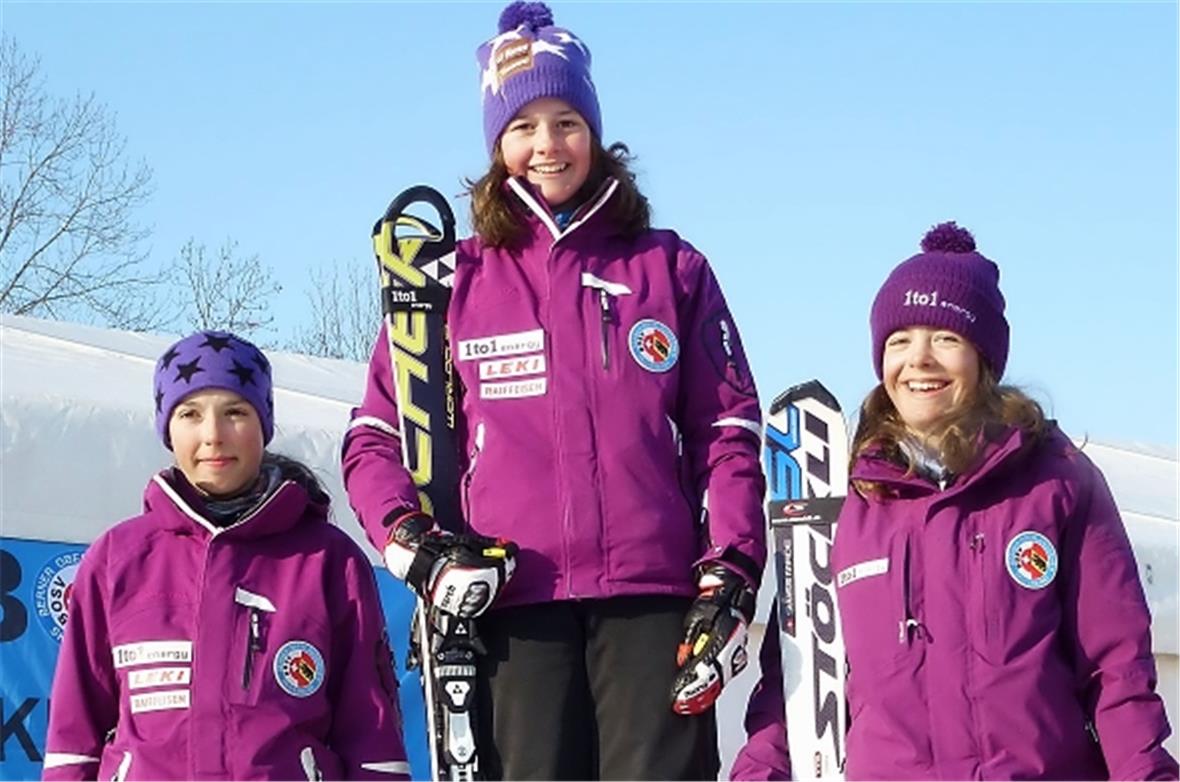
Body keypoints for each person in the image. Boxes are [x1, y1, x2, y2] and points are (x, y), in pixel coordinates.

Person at [342, 2, 766, 778]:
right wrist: (415, 546)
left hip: (651, 597)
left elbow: (729, 432)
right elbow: (373, 438)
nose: (547, 145)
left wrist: (731, 570)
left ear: (595, 131)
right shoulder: (450, 280)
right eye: (523, 125)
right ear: (497, 143)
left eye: (566, 119)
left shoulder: (670, 269)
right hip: (511, 604)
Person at [731, 222, 1178, 780]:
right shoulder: (844, 502)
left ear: (984, 358)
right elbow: (795, 679)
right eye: (899, 341)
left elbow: (1116, 668)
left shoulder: (1057, 482)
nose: (918, 359)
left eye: (945, 337)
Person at [43, 331, 410, 782]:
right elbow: (73, 737)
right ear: (166, 427)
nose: (213, 435)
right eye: (190, 414)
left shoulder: (328, 560)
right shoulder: (118, 558)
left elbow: (371, 735)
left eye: (235, 412)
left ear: (264, 424)